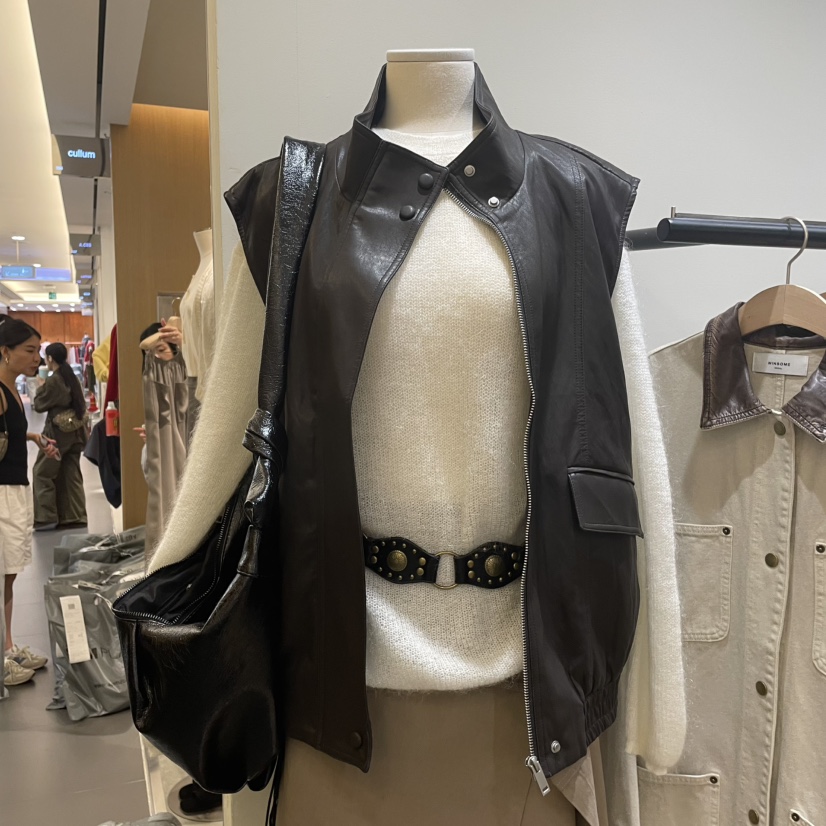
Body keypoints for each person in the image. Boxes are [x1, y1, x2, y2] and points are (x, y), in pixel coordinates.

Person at [0, 318, 56, 686]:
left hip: (14, 490)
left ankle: (8, 647)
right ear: (5, 351)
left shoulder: (12, 390)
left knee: (8, 574)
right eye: (29, 350)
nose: (37, 358)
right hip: (3, 493)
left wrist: (33, 437)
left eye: (38, 350)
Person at [32, 342, 89, 530]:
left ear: (50, 358)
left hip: (57, 433)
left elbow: (39, 404)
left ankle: (46, 517)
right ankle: (75, 516)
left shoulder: (54, 380)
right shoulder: (72, 377)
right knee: (70, 472)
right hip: (75, 432)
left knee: (42, 471)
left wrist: (41, 386)